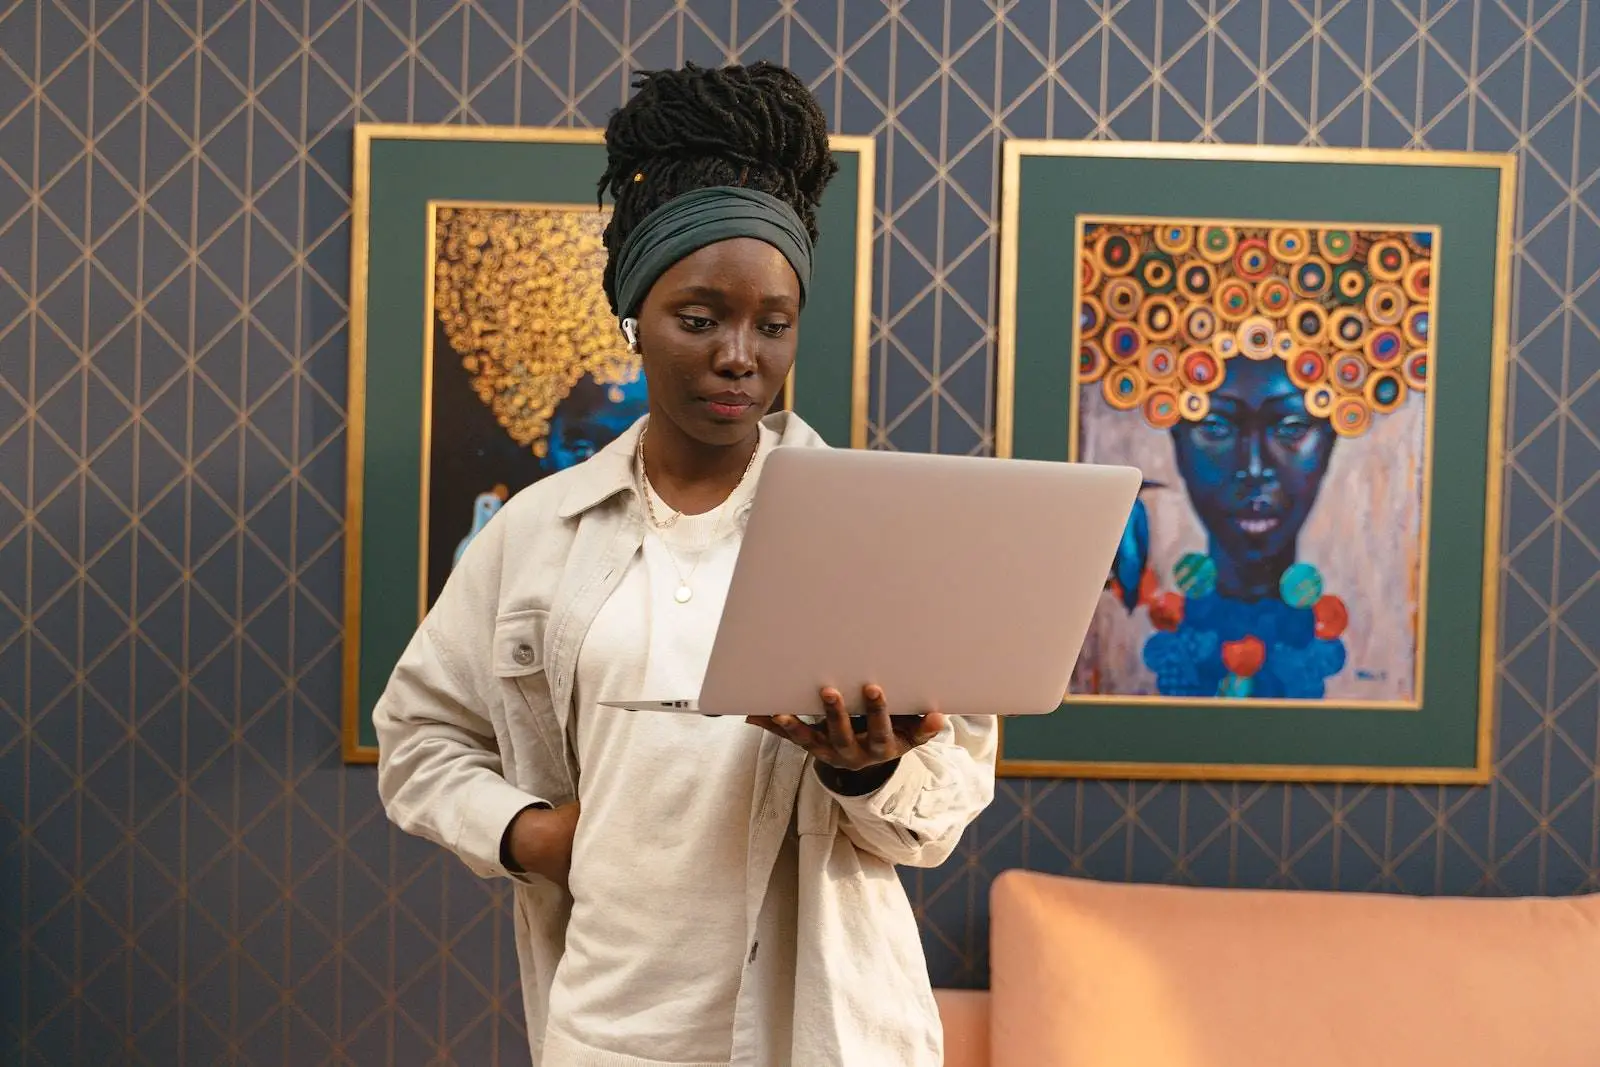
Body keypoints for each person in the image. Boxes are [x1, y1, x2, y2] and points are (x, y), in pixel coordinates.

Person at [373, 61, 997, 1067]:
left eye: (772, 323)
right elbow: (418, 734)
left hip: (826, 1034)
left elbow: (943, 806)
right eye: (700, 318)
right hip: (607, 1030)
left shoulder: (877, 531)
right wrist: (534, 833)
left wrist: (870, 770)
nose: (739, 353)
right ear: (634, 314)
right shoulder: (536, 533)